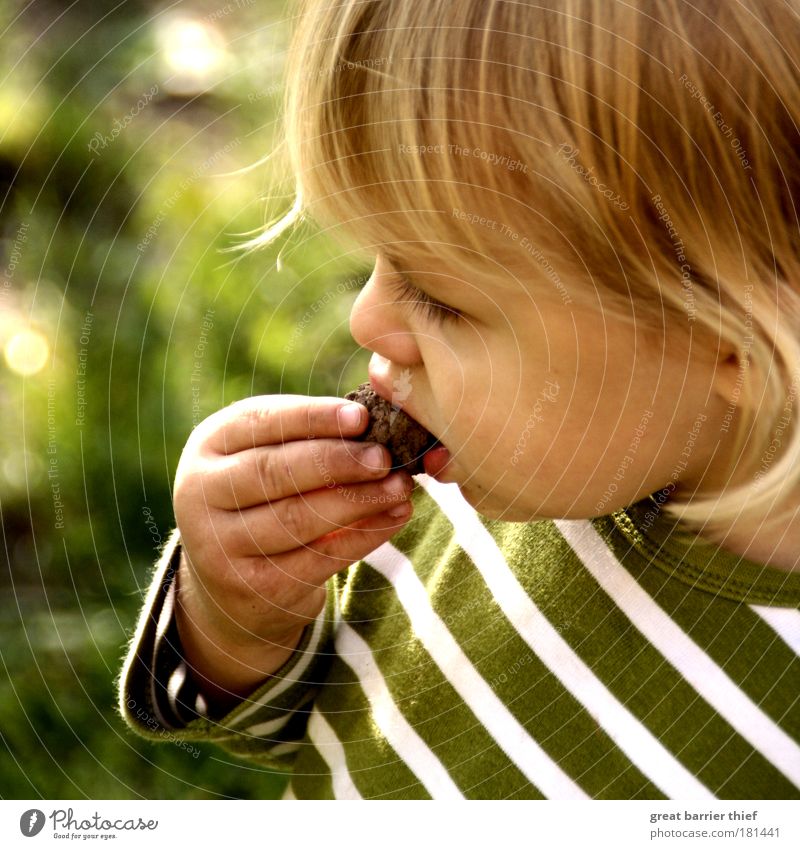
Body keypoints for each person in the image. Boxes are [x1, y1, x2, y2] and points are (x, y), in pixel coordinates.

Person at [119, 0, 800, 799]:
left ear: (740, 337)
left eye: (441, 298)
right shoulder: (484, 479)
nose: (366, 317)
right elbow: (312, 726)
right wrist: (240, 608)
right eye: (375, 260)